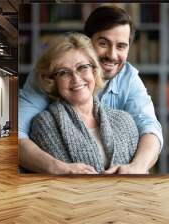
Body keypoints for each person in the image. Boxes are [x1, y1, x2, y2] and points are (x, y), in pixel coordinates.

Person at [19, 6, 163, 174]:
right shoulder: (48, 74)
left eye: (121, 46)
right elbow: (17, 135)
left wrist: (137, 167)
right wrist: (57, 169)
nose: (112, 55)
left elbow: (150, 128)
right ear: (87, 41)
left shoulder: (128, 79)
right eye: (103, 43)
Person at [29, 33, 139, 174]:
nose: (76, 79)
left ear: (94, 71)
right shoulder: (45, 123)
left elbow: (141, 177)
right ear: (53, 81)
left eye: (82, 68)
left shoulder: (125, 121)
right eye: (64, 72)